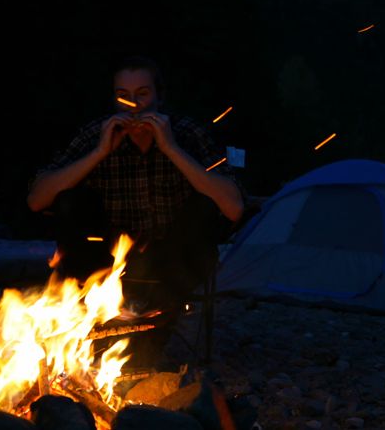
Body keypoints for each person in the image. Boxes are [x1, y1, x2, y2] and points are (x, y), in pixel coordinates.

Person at [27, 55, 243, 366]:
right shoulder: (98, 134)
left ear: (159, 96)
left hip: (175, 255)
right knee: (70, 200)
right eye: (123, 96)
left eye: (142, 94)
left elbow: (233, 207)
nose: (134, 106)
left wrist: (171, 148)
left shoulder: (186, 133)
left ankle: (146, 339)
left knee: (203, 205)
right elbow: (37, 199)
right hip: (108, 256)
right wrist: (100, 153)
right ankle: (93, 332)